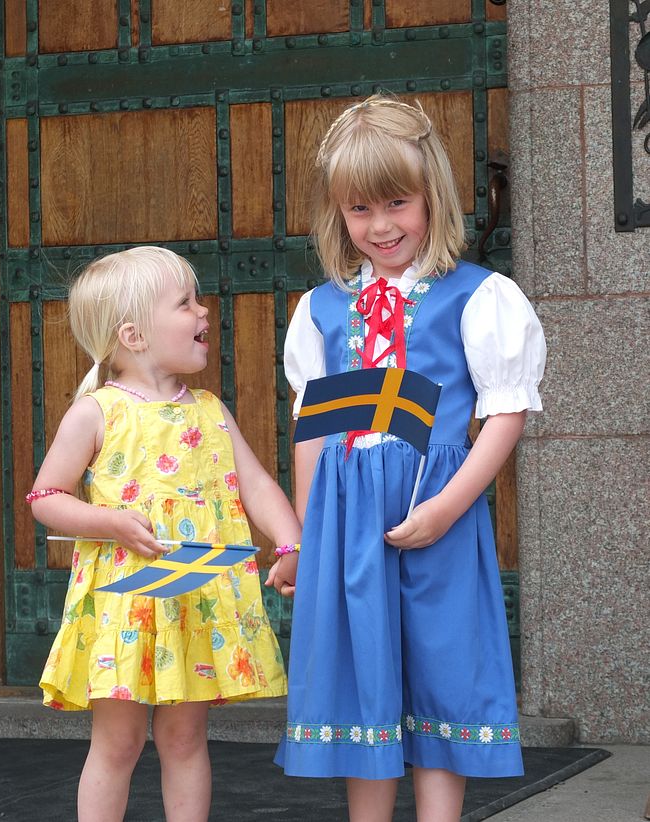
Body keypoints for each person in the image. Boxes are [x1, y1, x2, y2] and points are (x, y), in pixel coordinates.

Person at [269, 96, 547, 821]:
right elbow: (316, 432)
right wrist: (304, 537)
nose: (382, 225)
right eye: (361, 209)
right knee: (363, 682)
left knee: (440, 675)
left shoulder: (480, 298)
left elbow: (504, 413)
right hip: (347, 525)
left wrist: (448, 506)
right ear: (338, 212)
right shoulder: (322, 310)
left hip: (437, 512)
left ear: (433, 197)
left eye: (398, 202)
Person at [27, 246, 301, 822]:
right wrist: (110, 522)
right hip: (126, 607)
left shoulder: (209, 409)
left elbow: (254, 485)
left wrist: (291, 543)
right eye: (186, 303)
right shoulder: (97, 412)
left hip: (194, 600)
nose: (204, 313)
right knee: (118, 744)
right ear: (133, 334)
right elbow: (45, 498)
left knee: (184, 741)